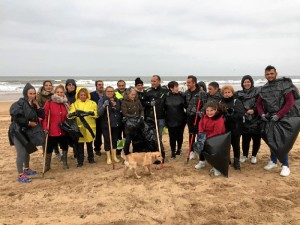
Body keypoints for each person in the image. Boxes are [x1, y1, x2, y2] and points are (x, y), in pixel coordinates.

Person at [257, 65, 300, 177]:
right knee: (271, 140)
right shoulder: (264, 88)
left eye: (271, 73)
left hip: (284, 117)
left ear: (276, 73)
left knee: (281, 142)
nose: (269, 76)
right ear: (265, 75)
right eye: (267, 74)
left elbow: (289, 102)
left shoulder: (285, 85)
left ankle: (285, 166)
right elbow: (258, 103)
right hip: (269, 117)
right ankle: (273, 161)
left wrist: (279, 115)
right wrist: (262, 114)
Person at [9, 83, 45, 183]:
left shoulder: (34, 104)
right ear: (25, 93)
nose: (32, 95)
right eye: (30, 93)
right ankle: (20, 175)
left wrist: (37, 105)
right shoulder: (20, 103)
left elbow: (42, 115)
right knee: (21, 153)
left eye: (34, 93)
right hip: (18, 131)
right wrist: (28, 123)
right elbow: (15, 116)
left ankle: (27, 169)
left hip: (28, 131)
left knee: (27, 150)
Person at [68, 87, 98, 167]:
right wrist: (71, 114)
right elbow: (71, 114)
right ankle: (80, 161)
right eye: (81, 95)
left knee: (89, 144)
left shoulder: (92, 103)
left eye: (84, 95)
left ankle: (91, 159)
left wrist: (91, 113)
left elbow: (96, 114)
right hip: (80, 128)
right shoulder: (75, 104)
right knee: (80, 146)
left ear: (87, 95)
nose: (83, 96)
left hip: (90, 127)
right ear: (78, 95)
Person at [42, 85, 70, 171]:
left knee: (64, 146)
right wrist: (45, 128)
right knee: (49, 147)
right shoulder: (49, 102)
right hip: (52, 130)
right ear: (55, 92)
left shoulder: (67, 103)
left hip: (63, 129)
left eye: (61, 92)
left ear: (64, 93)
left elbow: (69, 115)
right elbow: (45, 116)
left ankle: (65, 162)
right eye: (57, 92)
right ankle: (47, 165)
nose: (59, 93)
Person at [235, 75, 261, 164]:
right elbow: (235, 103)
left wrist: (254, 110)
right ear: (242, 83)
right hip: (244, 119)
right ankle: (245, 155)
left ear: (251, 82)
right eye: (245, 82)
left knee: (256, 139)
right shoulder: (238, 93)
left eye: (248, 82)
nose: (247, 83)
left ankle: (254, 156)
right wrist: (244, 111)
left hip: (256, 118)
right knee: (245, 139)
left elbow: (260, 103)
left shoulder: (257, 91)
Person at [196, 101, 226, 176]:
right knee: (201, 146)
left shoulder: (219, 119)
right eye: (207, 110)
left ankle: (217, 167)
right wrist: (201, 135)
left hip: (216, 138)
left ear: (216, 110)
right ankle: (202, 161)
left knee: (213, 152)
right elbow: (201, 125)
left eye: (211, 110)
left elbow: (217, 132)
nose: (209, 113)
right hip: (205, 135)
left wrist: (206, 138)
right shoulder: (204, 116)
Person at [142, 75, 168, 161]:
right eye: (151, 81)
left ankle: (160, 154)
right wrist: (149, 103)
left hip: (161, 117)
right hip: (150, 118)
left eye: (154, 81)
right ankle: (152, 154)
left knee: (158, 136)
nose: (152, 83)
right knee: (150, 136)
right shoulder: (147, 91)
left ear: (159, 81)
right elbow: (142, 102)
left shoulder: (165, 91)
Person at [219, 84, 245, 170]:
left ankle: (236, 161)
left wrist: (230, 115)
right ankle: (227, 160)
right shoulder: (220, 102)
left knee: (236, 145)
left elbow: (241, 113)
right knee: (226, 145)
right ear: (222, 94)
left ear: (232, 92)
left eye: (229, 92)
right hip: (224, 128)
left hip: (235, 127)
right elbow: (218, 114)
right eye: (225, 92)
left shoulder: (236, 101)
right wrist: (224, 116)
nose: (227, 94)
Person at [98, 86, 122, 164]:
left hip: (116, 123)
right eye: (108, 91)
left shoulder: (117, 100)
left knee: (115, 140)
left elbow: (119, 110)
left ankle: (114, 156)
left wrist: (115, 106)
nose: (110, 93)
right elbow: (99, 113)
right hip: (106, 124)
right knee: (107, 140)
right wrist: (104, 105)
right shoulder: (102, 99)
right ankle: (108, 157)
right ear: (105, 92)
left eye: (111, 91)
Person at [37, 80, 61, 159]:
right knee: (45, 137)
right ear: (44, 86)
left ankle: (57, 151)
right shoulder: (39, 95)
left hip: (53, 118)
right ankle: (45, 155)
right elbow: (38, 106)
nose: (48, 87)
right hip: (44, 117)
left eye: (50, 85)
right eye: (46, 85)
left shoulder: (54, 94)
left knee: (54, 136)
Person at [165, 81, 186, 159]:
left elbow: (186, 105)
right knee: (172, 137)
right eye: (176, 87)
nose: (177, 88)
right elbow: (164, 108)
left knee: (180, 136)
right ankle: (172, 151)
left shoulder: (181, 95)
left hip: (181, 119)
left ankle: (179, 149)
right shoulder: (166, 96)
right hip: (170, 119)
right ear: (171, 88)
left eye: (177, 86)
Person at [121, 88, 144, 155]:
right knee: (127, 140)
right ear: (128, 94)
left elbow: (141, 109)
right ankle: (125, 153)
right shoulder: (124, 102)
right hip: (129, 124)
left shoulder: (137, 101)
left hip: (137, 123)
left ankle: (135, 153)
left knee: (136, 139)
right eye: (132, 95)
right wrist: (132, 117)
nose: (133, 96)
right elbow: (124, 113)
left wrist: (142, 116)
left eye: (134, 94)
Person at [184, 75, 201, 160]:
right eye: (187, 82)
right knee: (191, 134)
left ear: (194, 83)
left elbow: (204, 104)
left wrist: (198, 112)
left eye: (189, 82)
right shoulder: (186, 92)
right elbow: (185, 104)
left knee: (199, 134)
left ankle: (198, 150)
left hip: (198, 117)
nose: (187, 84)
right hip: (189, 117)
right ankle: (191, 151)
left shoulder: (201, 93)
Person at [90, 80, 105, 156]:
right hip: (96, 118)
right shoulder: (91, 94)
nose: (101, 86)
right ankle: (97, 149)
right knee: (98, 135)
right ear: (96, 85)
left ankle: (107, 148)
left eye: (102, 84)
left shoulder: (106, 94)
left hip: (105, 117)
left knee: (106, 134)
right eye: (99, 84)